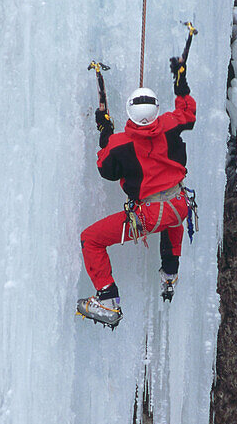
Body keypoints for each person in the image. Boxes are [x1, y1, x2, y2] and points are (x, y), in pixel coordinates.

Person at [77, 55, 196, 328]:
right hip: (179, 205)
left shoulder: (120, 144)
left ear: (130, 113)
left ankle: (107, 297)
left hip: (149, 215)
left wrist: (105, 131)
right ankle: (170, 273)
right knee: (172, 217)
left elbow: (106, 169)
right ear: (156, 109)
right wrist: (181, 84)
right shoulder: (169, 124)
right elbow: (188, 113)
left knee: (91, 239)